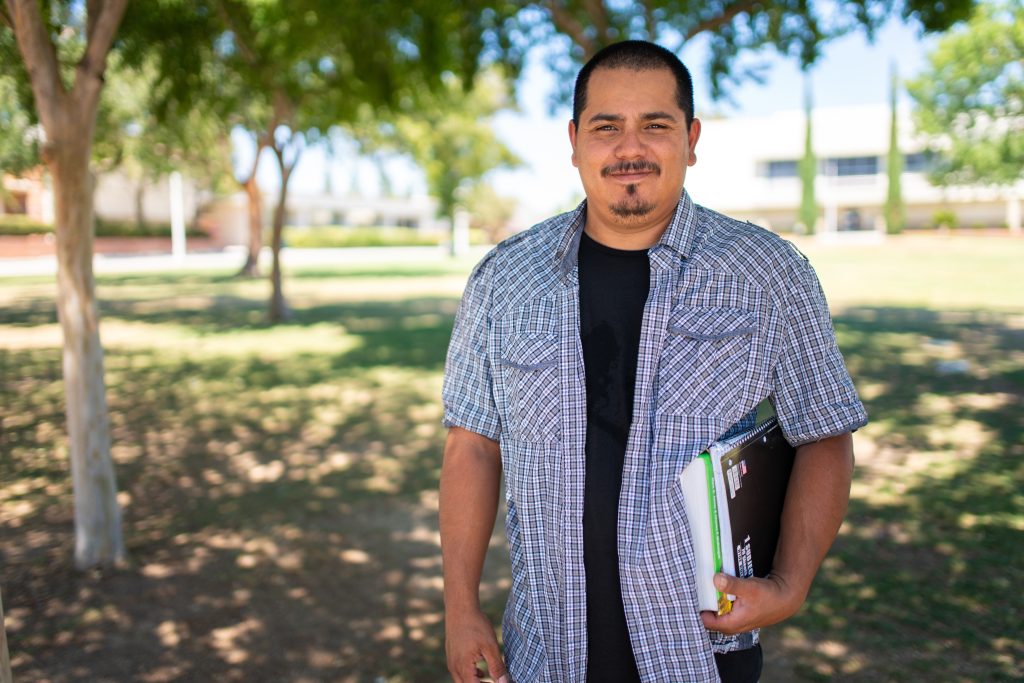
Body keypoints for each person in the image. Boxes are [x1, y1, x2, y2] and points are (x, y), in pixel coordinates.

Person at [439, 39, 867, 683]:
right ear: (575, 139)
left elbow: (824, 433)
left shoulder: (769, 275)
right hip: (543, 652)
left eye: (656, 125)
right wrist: (460, 608)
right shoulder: (504, 279)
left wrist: (790, 585)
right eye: (607, 126)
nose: (629, 148)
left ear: (691, 139)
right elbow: (471, 446)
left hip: (700, 653)